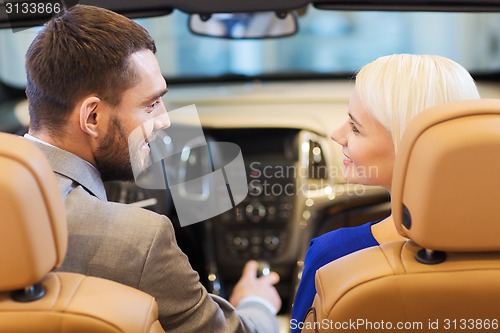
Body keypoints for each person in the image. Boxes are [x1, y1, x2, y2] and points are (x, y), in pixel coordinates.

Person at [23, 5, 281, 333]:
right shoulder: (140, 240)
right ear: (92, 118)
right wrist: (256, 303)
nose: (166, 120)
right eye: (151, 104)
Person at [290, 53, 480, 330]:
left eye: (355, 127)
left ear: (408, 147)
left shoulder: (333, 257)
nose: (336, 134)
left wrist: (258, 305)